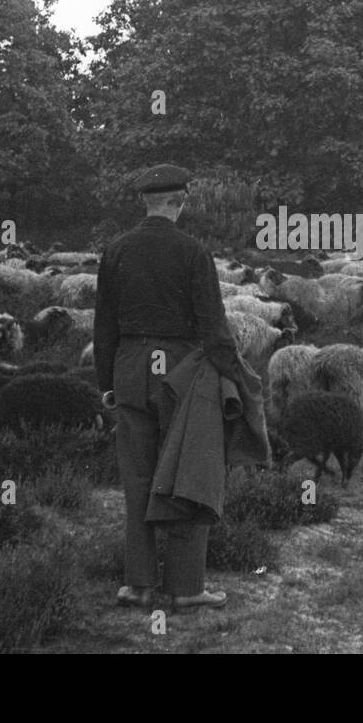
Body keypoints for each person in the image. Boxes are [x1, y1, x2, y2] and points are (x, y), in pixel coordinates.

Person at [93, 163, 246, 611]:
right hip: (180, 371)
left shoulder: (116, 250)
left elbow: (103, 326)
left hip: (129, 368)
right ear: (180, 202)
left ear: (145, 202)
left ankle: (138, 585)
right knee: (187, 471)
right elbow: (214, 327)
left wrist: (107, 383)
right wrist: (233, 376)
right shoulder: (193, 253)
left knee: (137, 476)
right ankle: (185, 588)